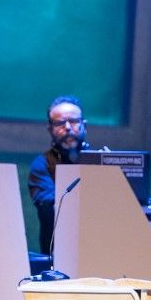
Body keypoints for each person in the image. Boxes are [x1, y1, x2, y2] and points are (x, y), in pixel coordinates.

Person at [27, 95, 90, 254]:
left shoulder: (102, 161)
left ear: (84, 125)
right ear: (50, 129)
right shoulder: (42, 165)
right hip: (58, 255)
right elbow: (51, 208)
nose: (68, 127)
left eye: (74, 121)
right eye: (60, 123)